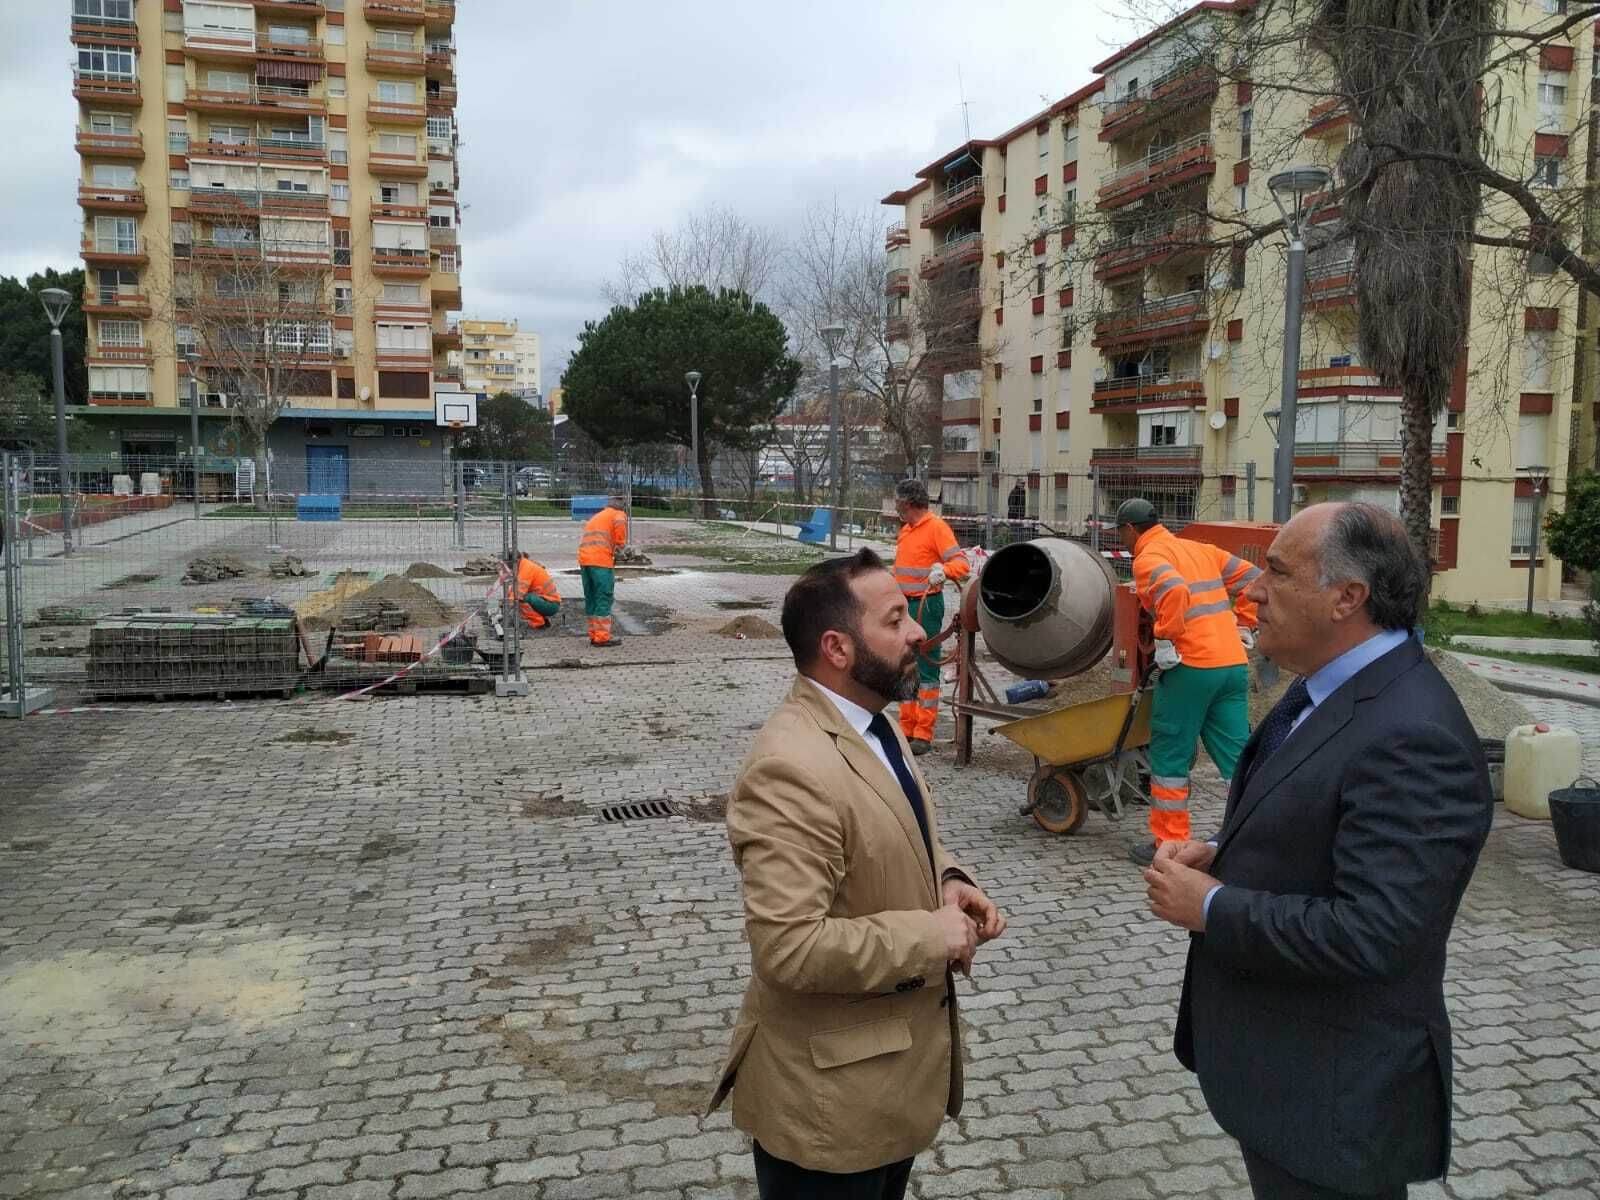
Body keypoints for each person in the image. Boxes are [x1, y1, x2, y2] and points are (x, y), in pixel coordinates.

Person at [1145, 502, 1493, 1200]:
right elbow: (1316, 816)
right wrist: (1223, 851)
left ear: (1346, 597)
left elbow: (1377, 933)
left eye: (1277, 572)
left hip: (1334, 1101)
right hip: (1289, 1080)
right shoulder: (1329, 686)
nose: (1253, 590)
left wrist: (1212, 906)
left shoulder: (1412, 736)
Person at [707, 548, 1006, 1200]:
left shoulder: (870, 722)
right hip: (828, 1118)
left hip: (885, 1092)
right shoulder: (790, 769)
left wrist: (949, 879)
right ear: (838, 648)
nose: (918, 632)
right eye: (895, 620)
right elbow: (789, 948)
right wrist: (932, 936)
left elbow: (893, 828)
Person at [1118, 496, 1261, 866]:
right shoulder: (1200, 550)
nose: (1123, 541)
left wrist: (1166, 637)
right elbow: (1255, 579)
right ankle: (1256, 832)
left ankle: (1170, 843)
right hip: (1232, 664)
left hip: (1191, 667)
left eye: (1121, 534)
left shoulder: (1149, 557)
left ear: (1130, 529)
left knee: (1170, 755)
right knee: (1237, 755)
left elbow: (1174, 591)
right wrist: (1245, 623)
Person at [891, 479, 969, 755]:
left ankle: (923, 734)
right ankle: (906, 729)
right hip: (904, 607)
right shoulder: (906, 531)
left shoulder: (936, 528)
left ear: (908, 502)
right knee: (905, 667)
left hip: (926, 606)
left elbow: (961, 563)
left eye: (897, 501)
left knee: (925, 669)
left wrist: (944, 571)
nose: (895, 506)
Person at [577, 494, 628, 647]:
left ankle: (594, 634)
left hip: (585, 561)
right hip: (601, 562)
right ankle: (602, 637)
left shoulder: (598, 516)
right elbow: (620, 538)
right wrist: (621, 549)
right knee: (603, 597)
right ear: (623, 505)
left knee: (591, 597)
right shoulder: (618, 515)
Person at [505, 550, 561, 631]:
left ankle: (538, 623)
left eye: (508, 563)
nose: (507, 566)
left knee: (521, 599)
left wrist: (507, 605)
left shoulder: (526, 568)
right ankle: (543, 621)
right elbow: (515, 587)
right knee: (519, 598)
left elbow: (518, 592)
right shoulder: (524, 565)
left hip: (551, 605)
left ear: (515, 560)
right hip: (548, 601)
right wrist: (507, 598)